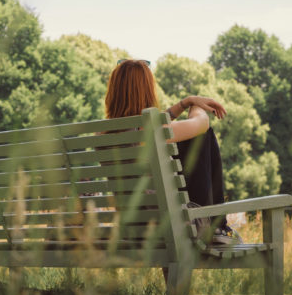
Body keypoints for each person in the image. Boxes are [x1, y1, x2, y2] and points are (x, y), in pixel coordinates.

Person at [104, 59, 242, 245]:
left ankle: (217, 227)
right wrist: (196, 107)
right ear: (147, 91)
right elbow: (202, 124)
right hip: (172, 227)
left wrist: (184, 103)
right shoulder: (152, 132)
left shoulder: (104, 134)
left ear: (113, 92)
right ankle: (217, 225)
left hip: (133, 229)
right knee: (203, 136)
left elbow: (156, 124)